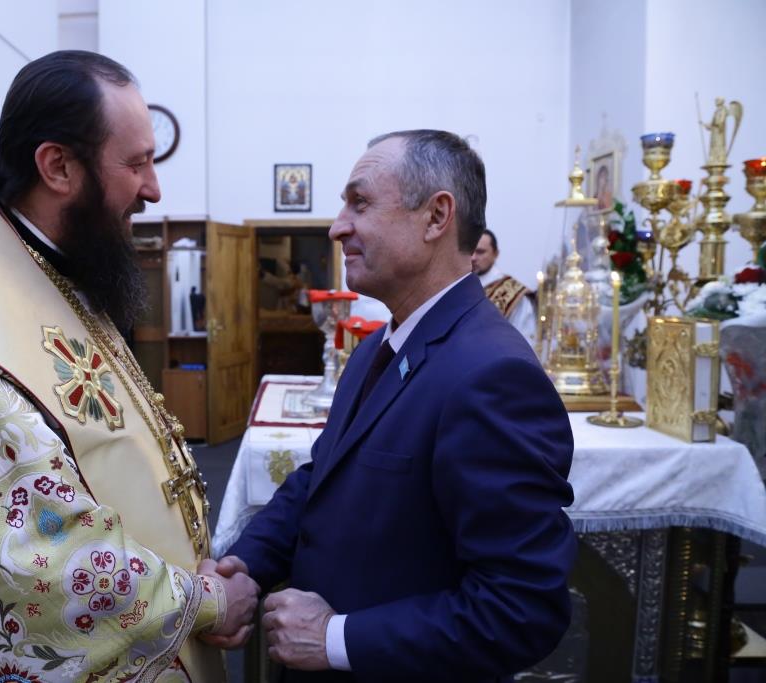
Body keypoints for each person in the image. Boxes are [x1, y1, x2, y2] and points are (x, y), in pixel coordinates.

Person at [0, 51, 257, 682]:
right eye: (136, 163)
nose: (154, 188)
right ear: (57, 166)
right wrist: (204, 601)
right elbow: (34, 562)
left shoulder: (59, 276)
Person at [210, 130, 576, 681]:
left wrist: (336, 638)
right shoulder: (376, 349)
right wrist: (247, 565)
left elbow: (521, 610)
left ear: (436, 217)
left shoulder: (493, 375)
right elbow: (322, 477)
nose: (337, 227)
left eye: (359, 203)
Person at [472, 228, 537, 344]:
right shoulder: (458, 284)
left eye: (480, 252)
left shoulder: (514, 293)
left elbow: (524, 341)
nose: (473, 258)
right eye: (470, 251)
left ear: (496, 254)